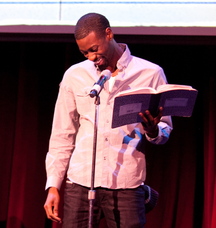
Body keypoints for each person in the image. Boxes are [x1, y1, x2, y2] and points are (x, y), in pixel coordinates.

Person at [44, 12, 173, 228]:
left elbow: (165, 130)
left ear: (109, 33)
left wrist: (153, 130)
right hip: (80, 184)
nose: (91, 57)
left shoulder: (149, 73)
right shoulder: (75, 76)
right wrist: (53, 186)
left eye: (94, 49)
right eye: (85, 52)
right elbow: (61, 135)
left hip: (126, 184)